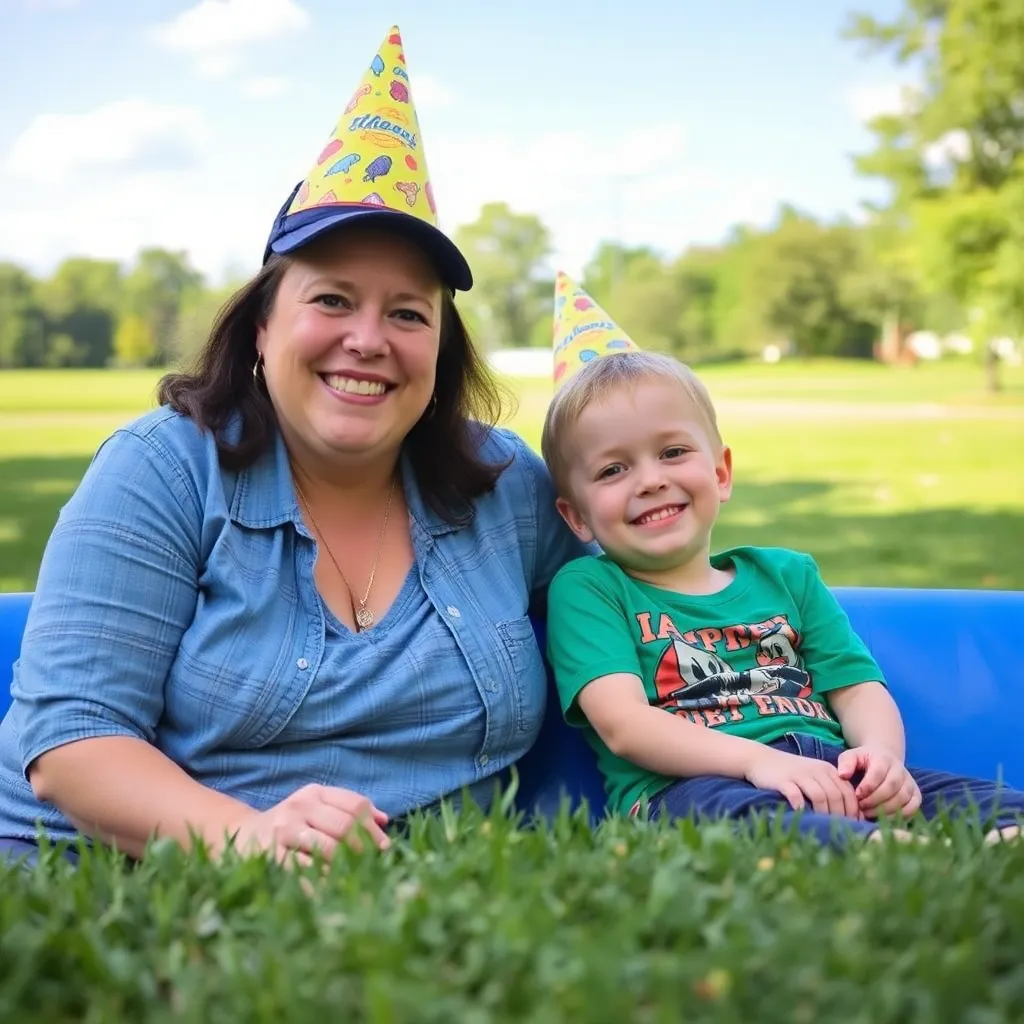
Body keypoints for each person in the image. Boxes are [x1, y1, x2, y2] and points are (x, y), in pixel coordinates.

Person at [0, 27, 588, 868]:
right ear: (263, 328)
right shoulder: (161, 470)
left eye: (408, 313)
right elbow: (71, 743)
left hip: (411, 889)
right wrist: (250, 837)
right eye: (332, 300)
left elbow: (643, 600)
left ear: (441, 350)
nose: (368, 340)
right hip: (110, 868)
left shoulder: (505, 485)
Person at [540, 273, 1024, 848]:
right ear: (576, 516)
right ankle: (867, 850)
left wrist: (880, 759)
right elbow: (625, 725)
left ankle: (968, 833)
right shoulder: (591, 588)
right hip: (689, 786)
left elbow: (856, 687)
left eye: (672, 452)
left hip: (830, 769)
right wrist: (758, 763)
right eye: (613, 469)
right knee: (739, 817)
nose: (650, 480)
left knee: (984, 800)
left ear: (721, 473)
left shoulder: (788, 575)